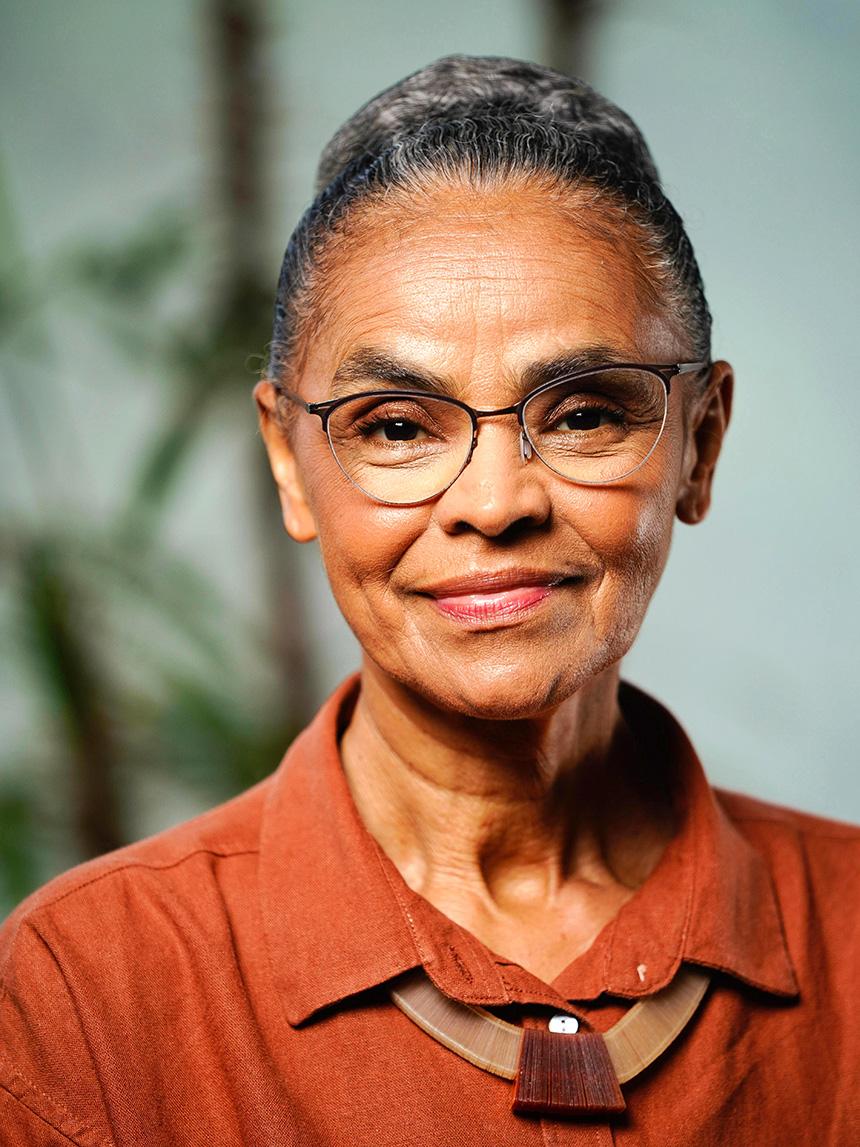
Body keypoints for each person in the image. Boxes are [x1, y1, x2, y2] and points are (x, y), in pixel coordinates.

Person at [1, 54, 857, 1146]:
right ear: (286, 462)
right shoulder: (92, 991)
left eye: (585, 411)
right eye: (396, 426)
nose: (493, 503)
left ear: (699, 442)